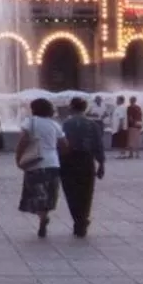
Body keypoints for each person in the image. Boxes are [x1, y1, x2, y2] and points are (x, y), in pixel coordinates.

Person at [16, 97, 65, 238]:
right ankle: (44, 215)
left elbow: (23, 140)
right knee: (49, 194)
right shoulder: (54, 124)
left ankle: (42, 217)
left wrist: (18, 157)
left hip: (35, 163)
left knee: (36, 194)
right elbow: (64, 144)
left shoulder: (30, 122)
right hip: (53, 163)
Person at [58, 97, 106, 237]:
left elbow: (60, 144)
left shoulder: (65, 124)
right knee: (86, 192)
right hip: (86, 160)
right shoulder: (92, 125)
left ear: (71, 108)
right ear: (85, 108)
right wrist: (101, 164)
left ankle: (77, 219)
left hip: (68, 161)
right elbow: (98, 145)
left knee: (71, 192)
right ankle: (83, 218)